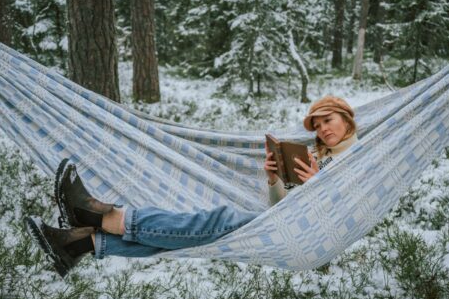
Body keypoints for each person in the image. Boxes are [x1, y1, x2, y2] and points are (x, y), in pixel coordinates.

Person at [24, 96, 358, 277]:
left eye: (329, 120)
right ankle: (79, 245)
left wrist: (319, 187)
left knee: (217, 221)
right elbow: (282, 207)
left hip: (309, 239)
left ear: (347, 117)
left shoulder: (361, 157)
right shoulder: (318, 155)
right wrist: (274, 179)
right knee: (188, 239)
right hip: (284, 224)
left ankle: (98, 216)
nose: (323, 128)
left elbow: (343, 213)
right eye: (318, 124)